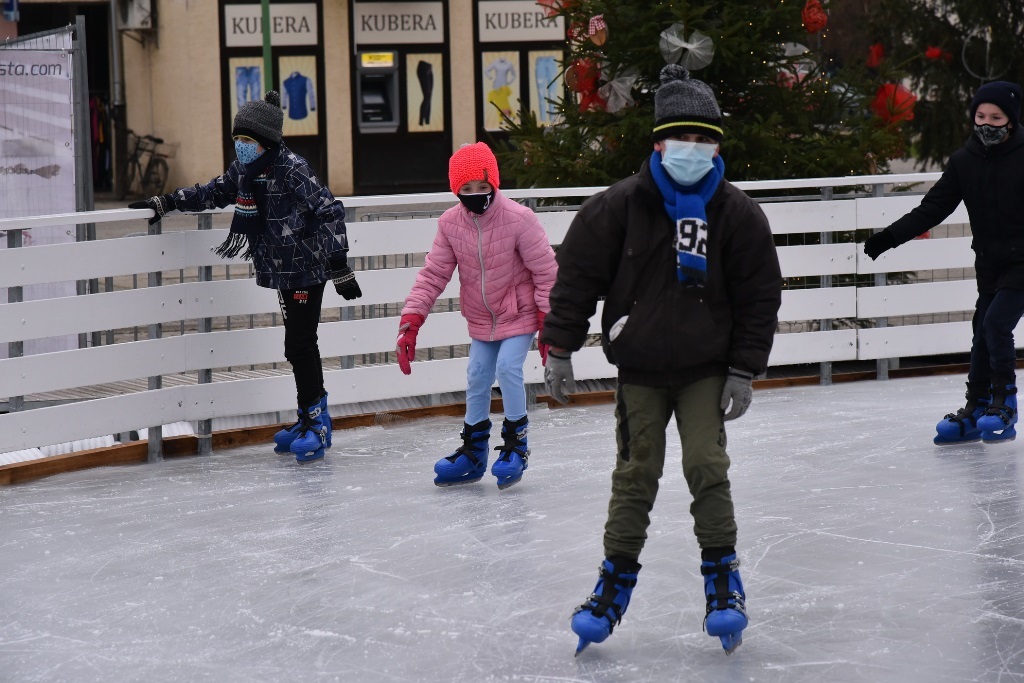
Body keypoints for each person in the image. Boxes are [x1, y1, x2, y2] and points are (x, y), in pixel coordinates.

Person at [539, 65, 782, 655]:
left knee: (706, 464)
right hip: (642, 368)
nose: (693, 150)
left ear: (718, 145)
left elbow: (759, 295)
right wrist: (561, 348)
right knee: (635, 474)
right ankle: (614, 580)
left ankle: (723, 580)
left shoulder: (736, 214)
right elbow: (576, 279)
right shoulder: (618, 207)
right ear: (658, 142)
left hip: (705, 367)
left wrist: (744, 368)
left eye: (705, 140)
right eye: (682, 138)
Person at [128, 91, 362, 463]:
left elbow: (329, 210)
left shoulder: (291, 167)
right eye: (237, 140)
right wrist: (168, 201)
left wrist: (338, 265)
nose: (241, 147)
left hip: (306, 269)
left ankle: (317, 423)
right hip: (281, 271)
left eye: (247, 141)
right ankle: (307, 418)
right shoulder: (246, 171)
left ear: (266, 141)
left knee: (300, 344)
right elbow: (214, 192)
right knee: (296, 346)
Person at [864, 81, 1023, 445]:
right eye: (981, 116)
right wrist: (888, 238)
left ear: (1011, 120)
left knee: (997, 324)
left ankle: (1005, 403)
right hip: (990, 263)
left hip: (1023, 262)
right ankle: (977, 405)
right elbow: (933, 208)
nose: (987, 124)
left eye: (996, 117)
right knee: (982, 329)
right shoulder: (964, 161)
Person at [395, 142, 557, 489]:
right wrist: (411, 321)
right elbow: (434, 273)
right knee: (477, 374)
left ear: (493, 183)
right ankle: (474, 451)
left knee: (508, 368)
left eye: (482, 187)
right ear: (456, 190)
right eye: (466, 189)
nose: (475, 194)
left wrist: (549, 322)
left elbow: (546, 271)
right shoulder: (451, 223)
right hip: (483, 319)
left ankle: (516, 444)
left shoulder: (519, 218)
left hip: (521, 312)